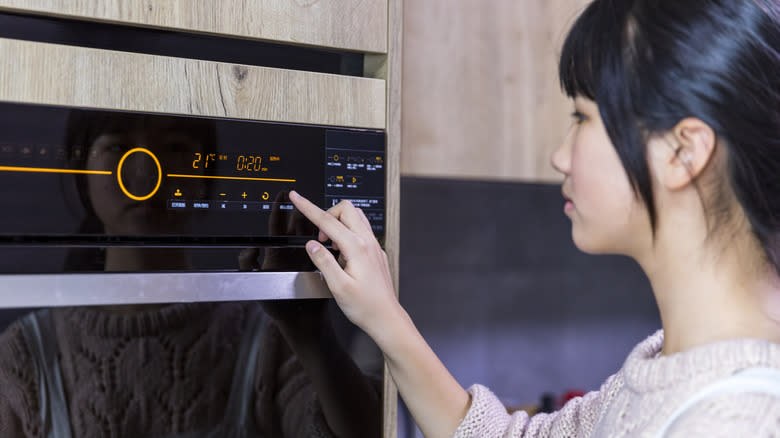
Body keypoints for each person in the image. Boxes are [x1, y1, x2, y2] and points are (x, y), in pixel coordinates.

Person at [288, 0, 780, 436]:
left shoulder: (739, 418)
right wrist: (383, 316)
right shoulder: (667, 365)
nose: (560, 157)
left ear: (682, 152)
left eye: (583, 118)